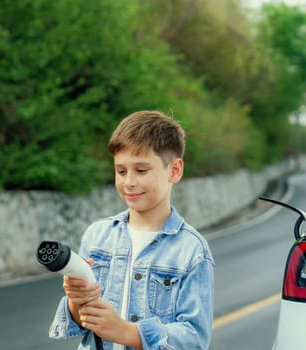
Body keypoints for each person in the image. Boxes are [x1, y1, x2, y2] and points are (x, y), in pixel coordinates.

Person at [49, 110, 214, 350]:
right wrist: (77, 302)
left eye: (141, 170)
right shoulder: (97, 236)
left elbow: (194, 338)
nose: (129, 182)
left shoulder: (192, 251)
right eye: (121, 171)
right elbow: (80, 320)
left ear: (174, 170)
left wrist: (126, 332)